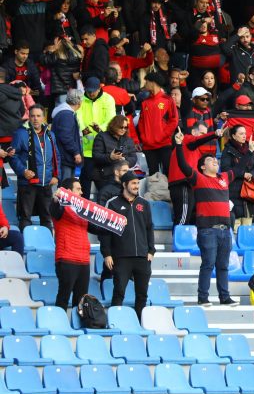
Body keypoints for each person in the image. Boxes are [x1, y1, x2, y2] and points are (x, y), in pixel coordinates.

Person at [174, 129, 239, 307]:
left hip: (226, 230)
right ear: (203, 166)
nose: (215, 162)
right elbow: (183, 165)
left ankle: (224, 297)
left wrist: (249, 150)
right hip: (208, 230)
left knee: (223, 266)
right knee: (208, 264)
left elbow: (240, 168)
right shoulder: (199, 178)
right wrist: (179, 146)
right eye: (211, 160)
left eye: (216, 160)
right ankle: (203, 297)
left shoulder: (224, 178)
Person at [101, 172, 155, 319]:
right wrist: (107, 253)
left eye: (137, 183)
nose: (136, 186)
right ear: (124, 185)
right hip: (122, 257)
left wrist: (151, 250)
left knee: (142, 294)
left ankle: (139, 322)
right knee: (119, 291)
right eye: (133, 183)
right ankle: (115, 321)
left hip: (142, 257)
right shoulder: (113, 203)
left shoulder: (144, 204)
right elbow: (105, 231)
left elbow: (149, 227)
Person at [50, 178, 98, 311]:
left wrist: (117, 225)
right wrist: (56, 198)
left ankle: (79, 330)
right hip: (67, 258)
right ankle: (59, 327)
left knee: (81, 300)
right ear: (69, 191)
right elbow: (54, 209)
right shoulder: (60, 206)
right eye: (78, 189)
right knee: (63, 297)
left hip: (83, 260)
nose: (81, 192)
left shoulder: (83, 211)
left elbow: (97, 228)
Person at [10, 105, 59, 230]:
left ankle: (47, 246)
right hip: (27, 183)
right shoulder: (21, 133)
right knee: (26, 217)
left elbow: (56, 156)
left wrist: (56, 176)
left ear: (43, 118)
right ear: (29, 117)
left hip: (46, 182)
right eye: (32, 116)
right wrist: (23, 171)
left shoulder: (50, 135)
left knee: (47, 217)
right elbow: (12, 156)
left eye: (38, 116)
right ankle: (25, 247)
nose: (35, 119)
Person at [76, 77, 116, 194]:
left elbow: (111, 118)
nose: (91, 93)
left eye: (93, 90)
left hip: (103, 147)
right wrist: (85, 131)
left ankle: (105, 206)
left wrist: (100, 129)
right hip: (87, 147)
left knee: (104, 180)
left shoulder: (108, 99)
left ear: (100, 88)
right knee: (85, 179)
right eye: (88, 90)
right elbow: (78, 116)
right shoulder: (81, 99)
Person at [138, 72, 179, 176]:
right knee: (153, 174)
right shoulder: (145, 102)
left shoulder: (168, 100)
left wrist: (163, 135)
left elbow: (174, 120)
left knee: (169, 171)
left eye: (146, 82)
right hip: (148, 146)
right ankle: (154, 193)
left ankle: (170, 192)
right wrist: (144, 138)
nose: (145, 84)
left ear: (153, 83)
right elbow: (141, 122)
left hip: (164, 144)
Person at [220, 124, 254, 233]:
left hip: (248, 192)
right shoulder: (227, 150)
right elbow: (226, 169)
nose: (244, 136)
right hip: (234, 190)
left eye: (245, 133)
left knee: (247, 225)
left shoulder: (250, 148)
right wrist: (243, 174)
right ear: (234, 136)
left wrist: (251, 174)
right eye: (241, 134)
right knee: (235, 226)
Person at [91, 115, 137, 192]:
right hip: (105, 176)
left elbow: (134, 158)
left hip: (123, 176)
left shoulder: (128, 140)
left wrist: (124, 160)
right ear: (114, 125)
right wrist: (110, 157)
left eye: (125, 127)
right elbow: (96, 157)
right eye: (121, 127)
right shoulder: (101, 137)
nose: (123, 129)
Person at [50, 89, 83, 180]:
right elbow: (65, 136)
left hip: (64, 156)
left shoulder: (64, 113)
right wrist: (76, 152)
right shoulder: (66, 115)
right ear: (79, 102)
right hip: (65, 157)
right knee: (65, 187)